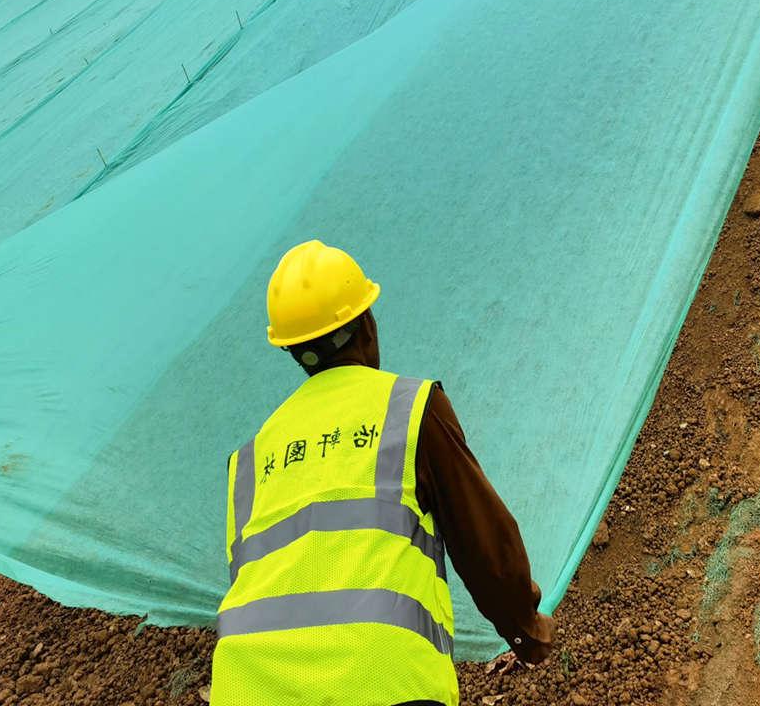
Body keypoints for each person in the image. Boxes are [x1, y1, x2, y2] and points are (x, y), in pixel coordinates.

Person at [210, 239, 553, 706]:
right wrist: (527, 632)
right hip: (379, 679)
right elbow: (484, 544)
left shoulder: (249, 461)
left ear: (292, 352)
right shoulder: (409, 411)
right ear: (367, 325)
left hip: (247, 688)